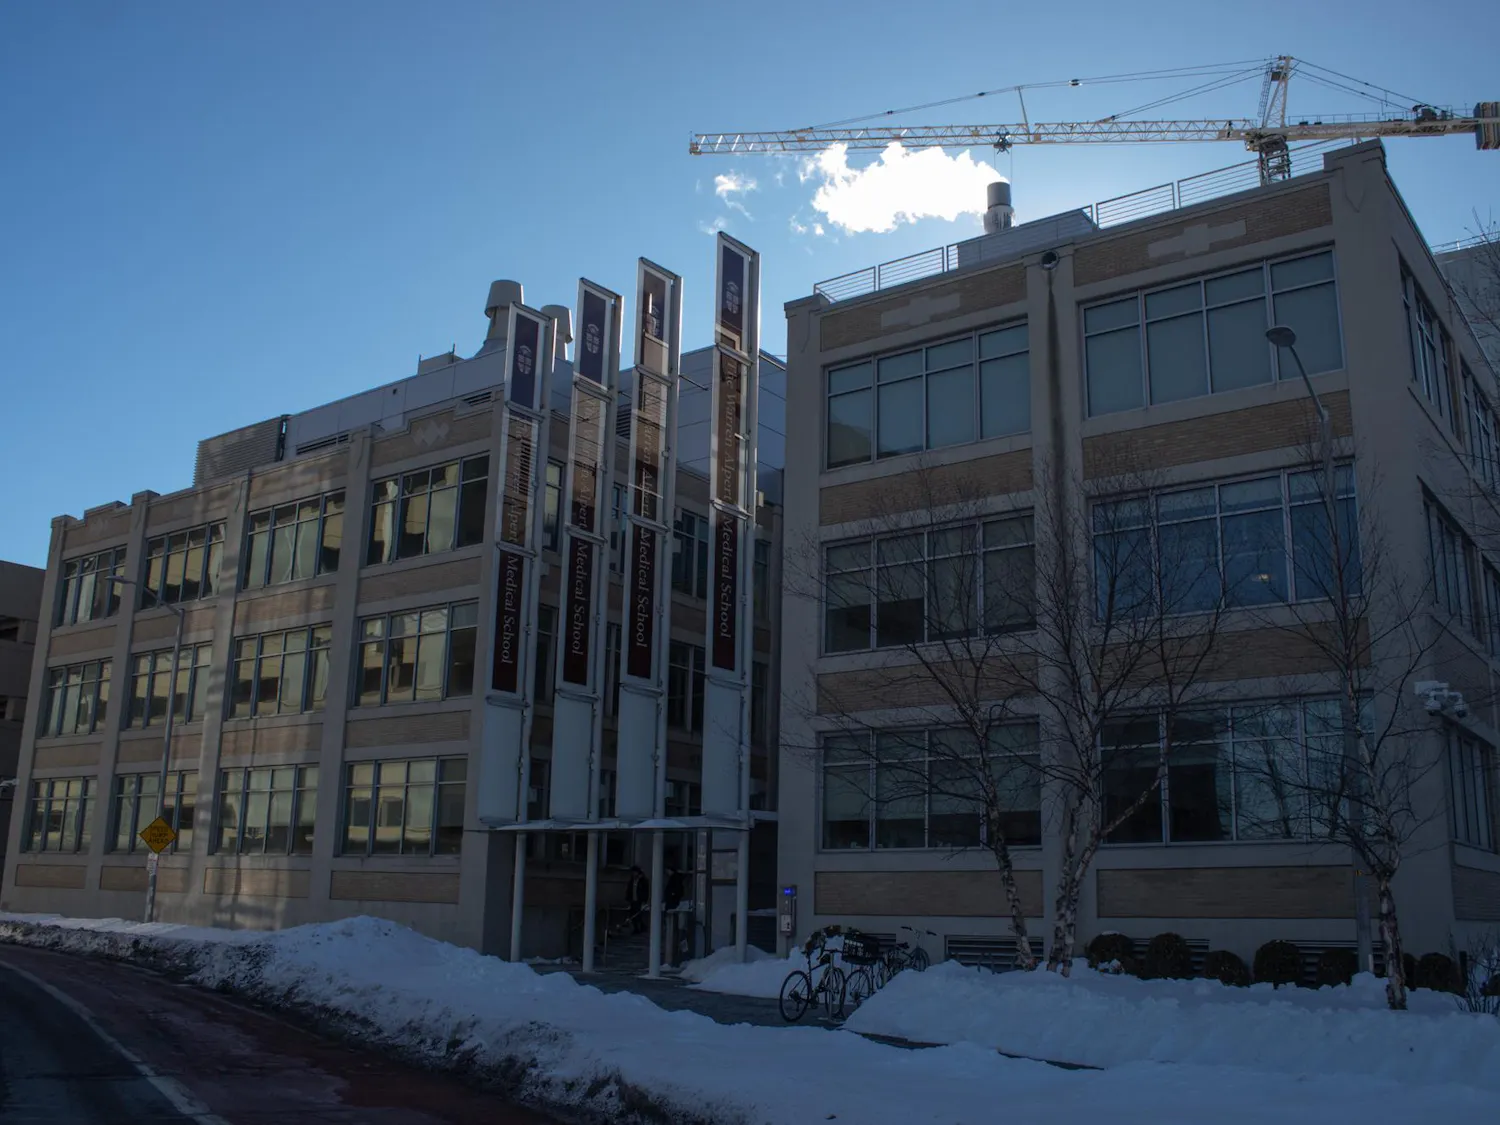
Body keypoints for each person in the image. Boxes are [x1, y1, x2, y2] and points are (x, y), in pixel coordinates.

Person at [625, 865, 649, 934]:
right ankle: (637, 928)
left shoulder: (643, 880)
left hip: (639, 900)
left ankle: (641, 927)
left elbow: (645, 891)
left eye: (634, 872)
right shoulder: (632, 880)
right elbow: (629, 889)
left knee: (638, 914)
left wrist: (644, 900)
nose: (633, 874)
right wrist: (628, 898)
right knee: (632, 914)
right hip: (633, 900)